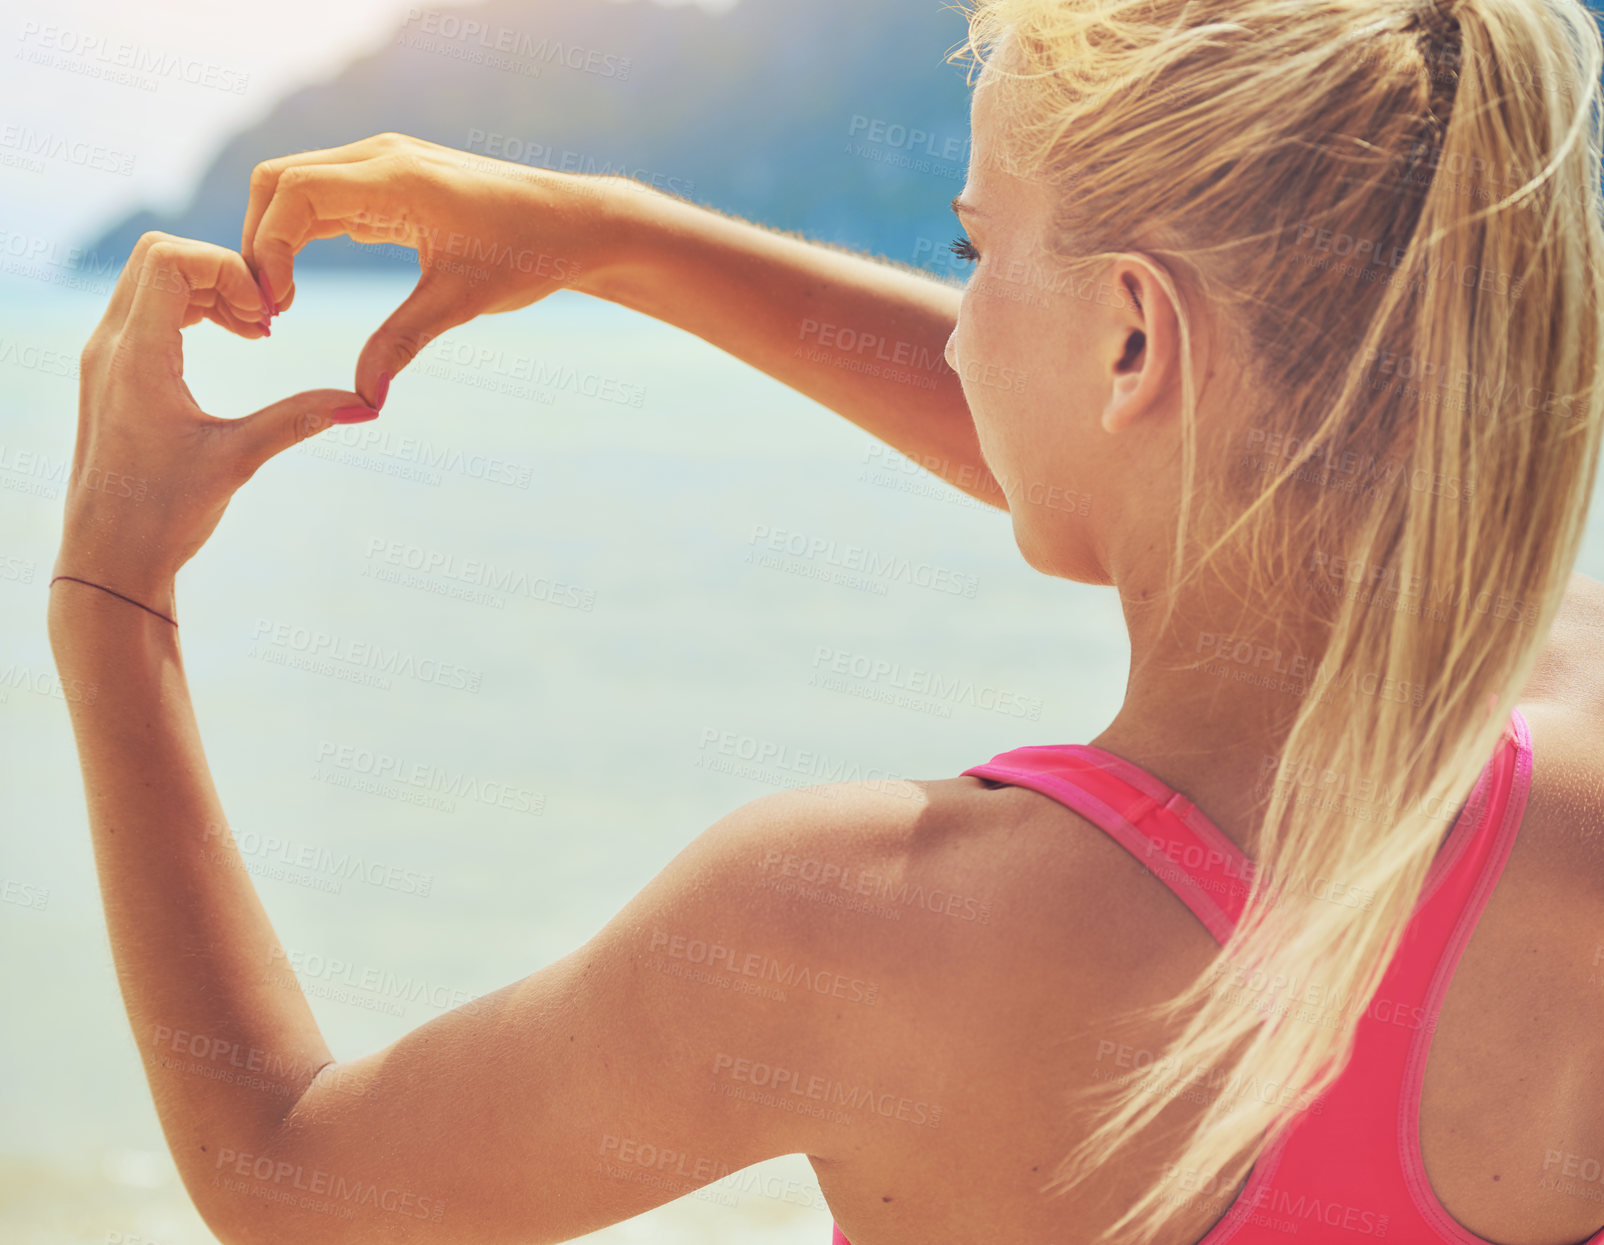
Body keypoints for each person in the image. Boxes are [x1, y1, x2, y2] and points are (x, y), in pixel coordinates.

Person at [47, 0, 1604, 1242]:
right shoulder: (1577, 803)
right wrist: (615, 236)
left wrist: (112, 603)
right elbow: (1195, 460)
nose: (965, 311)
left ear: (1135, 337)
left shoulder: (857, 924)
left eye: (971, 250)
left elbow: (294, 1181)